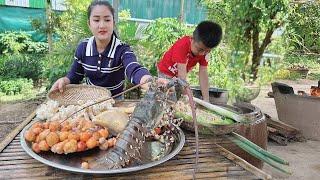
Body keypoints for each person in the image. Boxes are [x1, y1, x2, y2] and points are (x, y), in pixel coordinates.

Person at [50, 0, 156, 98]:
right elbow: (75, 75)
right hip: (90, 101)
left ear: (113, 23)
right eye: (96, 20)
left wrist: (147, 80)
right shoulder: (83, 47)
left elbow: (133, 68)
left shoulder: (122, 49)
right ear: (89, 24)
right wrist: (64, 80)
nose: (102, 25)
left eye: (107, 20)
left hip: (116, 101)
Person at [157, 21, 222, 102]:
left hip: (178, 78)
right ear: (192, 39)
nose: (202, 53)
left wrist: (206, 99)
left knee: (175, 98)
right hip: (166, 74)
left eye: (207, 51)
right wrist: (187, 96)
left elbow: (203, 72)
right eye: (200, 49)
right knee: (164, 97)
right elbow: (182, 77)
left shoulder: (204, 51)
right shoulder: (182, 45)